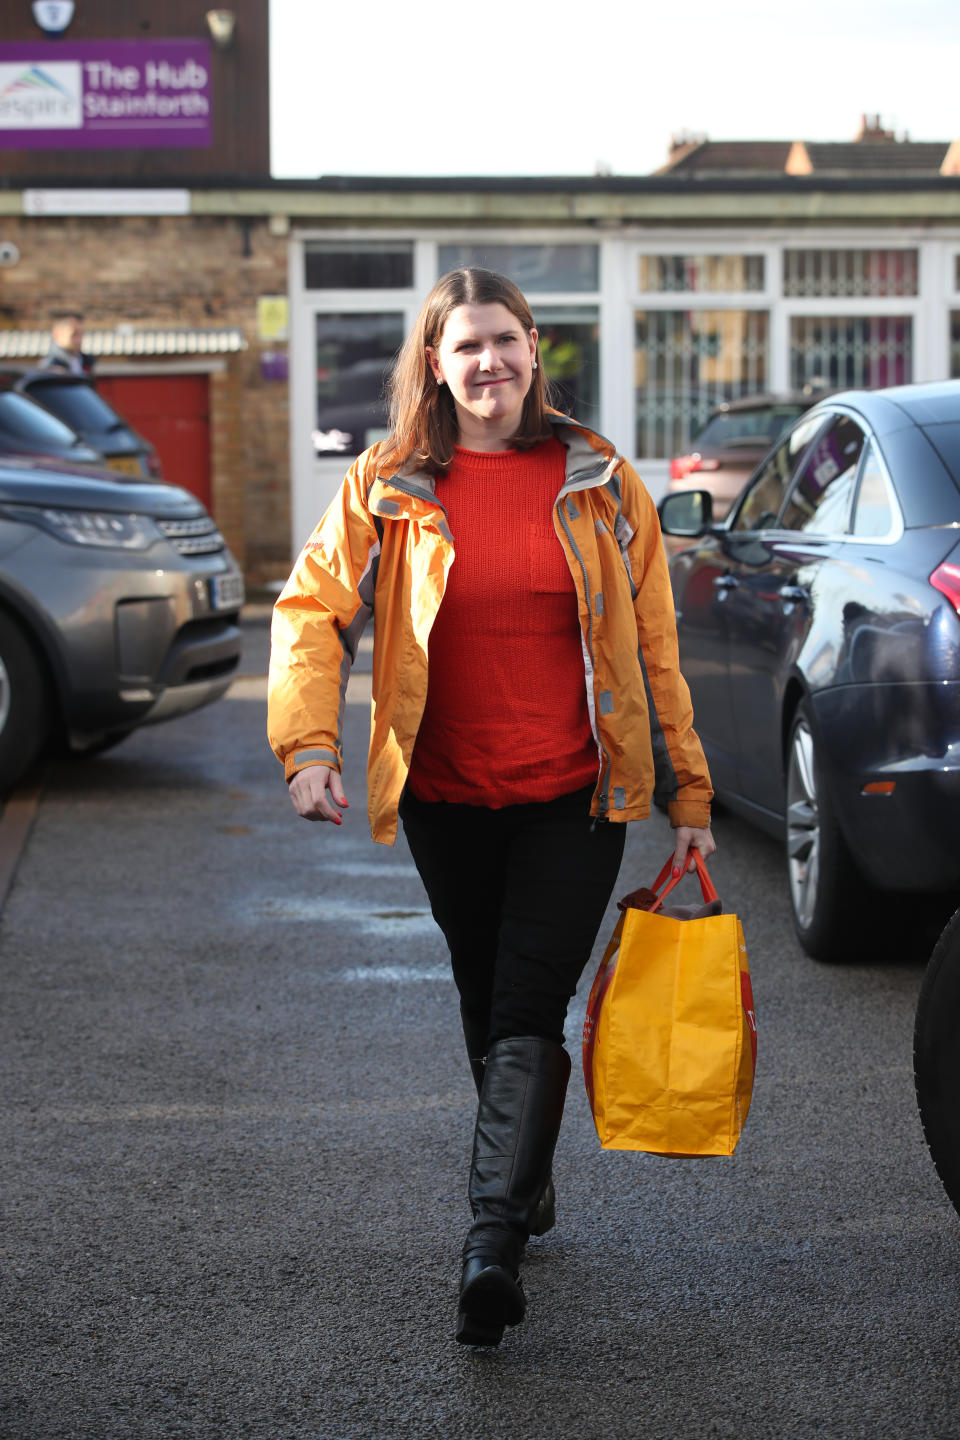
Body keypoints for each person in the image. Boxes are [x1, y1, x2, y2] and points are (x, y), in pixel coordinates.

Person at [267, 268, 715, 1348]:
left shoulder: (599, 479)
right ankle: (522, 1178)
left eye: (505, 342)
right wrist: (308, 745)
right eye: (465, 346)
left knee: (525, 1004)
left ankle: (491, 1242)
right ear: (435, 361)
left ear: (533, 348)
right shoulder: (389, 482)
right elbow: (310, 611)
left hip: (577, 795)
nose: (488, 364)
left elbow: (653, 641)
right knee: (485, 1001)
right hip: (445, 799)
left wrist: (690, 789)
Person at [41, 310, 94, 375]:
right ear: (57, 334)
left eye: (81, 334)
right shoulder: (50, 368)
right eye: (74, 334)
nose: (79, 340)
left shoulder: (86, 362)